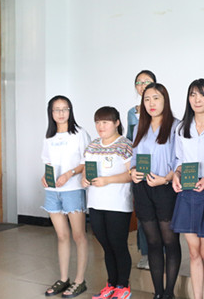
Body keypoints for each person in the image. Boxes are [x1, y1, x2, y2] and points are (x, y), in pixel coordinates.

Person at [171, 79, 204, 299]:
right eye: (193, 94)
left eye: (202, 95)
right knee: (193, 252)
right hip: (187, 192)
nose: (197, 99)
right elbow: (179, 160)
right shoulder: (181, 128)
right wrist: (176, 175)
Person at [129, 83, 180, 299]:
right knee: (152, 242)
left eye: (156, 98)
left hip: (165, 188)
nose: (151, 103)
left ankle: (169, 292)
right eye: (147, 99)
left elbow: (181, 160)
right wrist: (132, 171)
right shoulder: (139, 127)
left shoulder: (176, 126)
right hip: (143, 188)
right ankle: (158, 293)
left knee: (170, 240)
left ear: (165, 100)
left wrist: (166, 178)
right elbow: (133, 158)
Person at [41, 96, 91, 299]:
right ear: (51, 113)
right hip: (53, 192)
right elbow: (47, 162)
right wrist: (45, 176)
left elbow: (86, 161)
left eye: (65, 109)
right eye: (57, 109)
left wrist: (70, 174)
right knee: (62, 236)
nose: (61, 113)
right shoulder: (49, 137)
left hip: (73, 190)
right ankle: (63, 279)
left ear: (70, 111)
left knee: (78, 236)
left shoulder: (79, 134)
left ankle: (79, 281)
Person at [82, 107, 134, 299]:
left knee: (117, 244)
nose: (100, 126)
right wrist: (84, 179)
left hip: (117, 204)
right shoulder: (93, 145)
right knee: (105, 245)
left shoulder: (125, 145)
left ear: (117, 123)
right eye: (97, 122)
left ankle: (123, 286)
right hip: (96, 203)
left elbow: (132, 174)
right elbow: (86, 169)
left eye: (105, 122)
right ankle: (111, 284)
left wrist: (108, 180)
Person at [126, 69, 156, 270]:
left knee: (160, 217)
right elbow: (131, 140)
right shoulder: (132, 113)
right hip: (141, 169)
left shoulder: (161, 107)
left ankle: (160, 252)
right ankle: (145, 253)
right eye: (139, 82)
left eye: (147, 81)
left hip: (159, 169)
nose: (142, 85)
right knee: (144, 215)